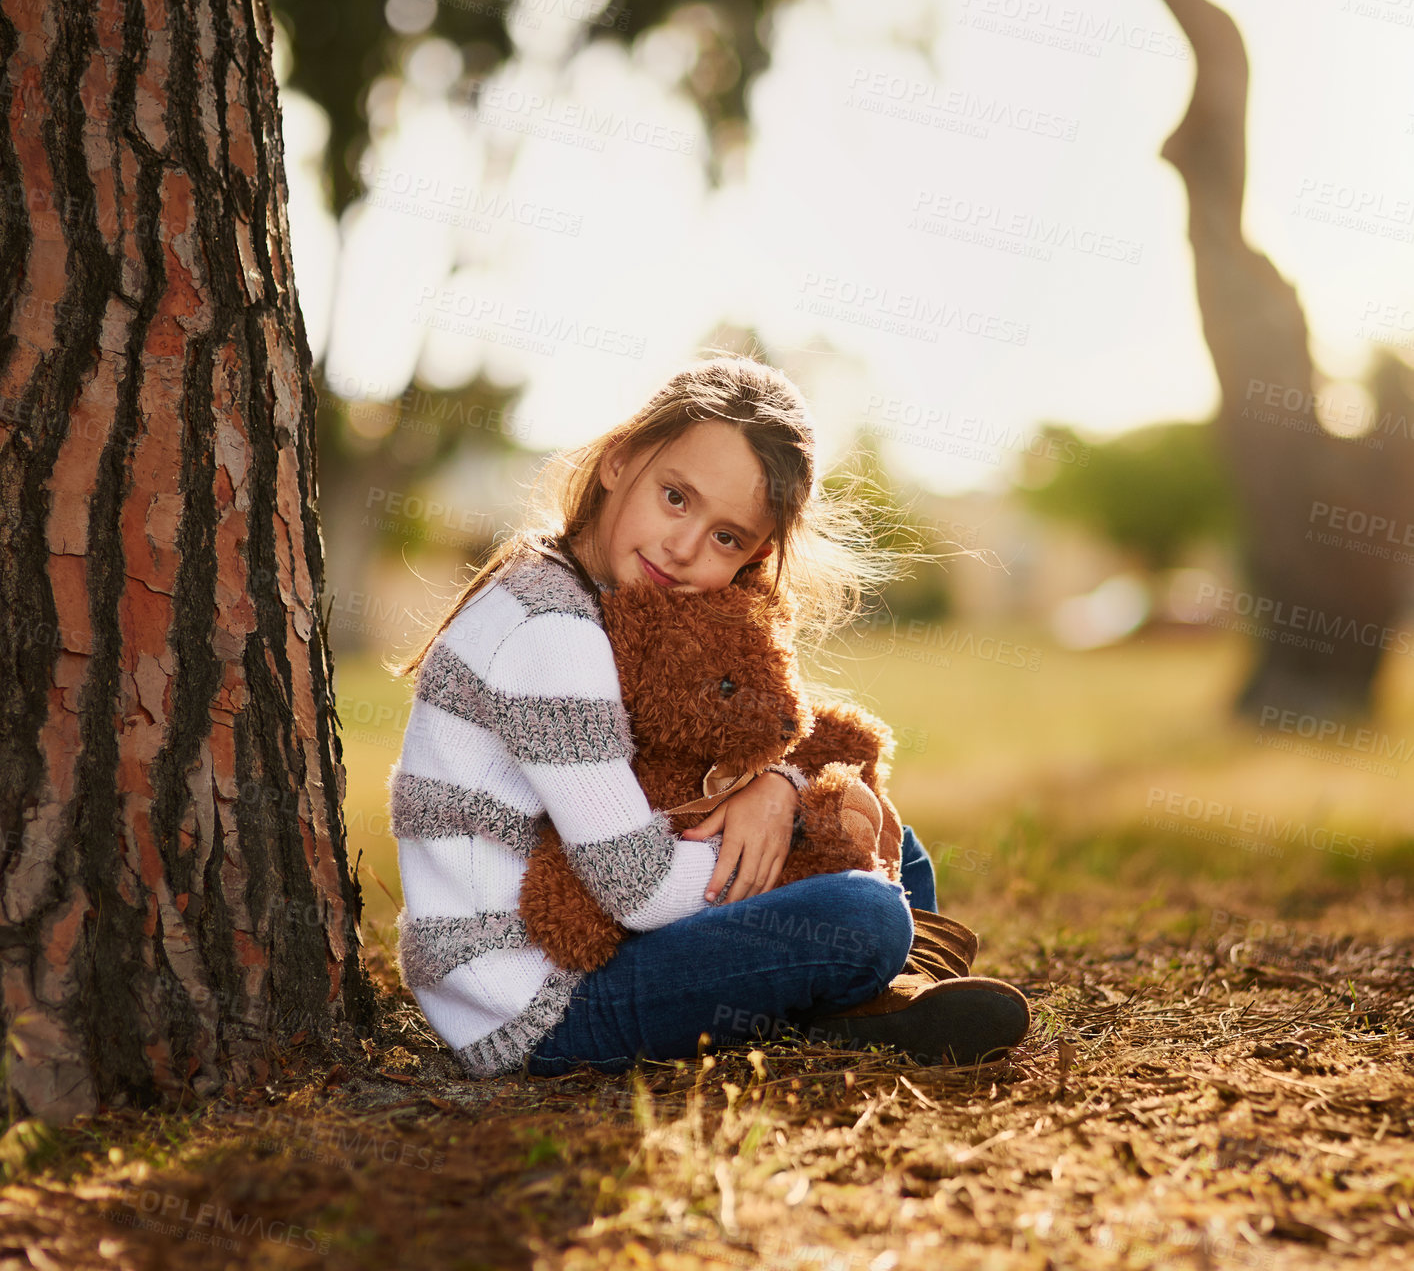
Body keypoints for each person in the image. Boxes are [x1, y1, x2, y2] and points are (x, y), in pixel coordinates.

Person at [387, 354, 1030, 1079]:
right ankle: (870, 984)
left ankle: (889, 998)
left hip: (589, 947)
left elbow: (750, 736)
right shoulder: (550, 632)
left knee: (894, 842)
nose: (685, 547)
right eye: (675, 497)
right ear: (620, 459)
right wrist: (796, 841)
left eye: (727, 538)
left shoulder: (599, 594)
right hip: (536, 1008)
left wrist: (782, 785)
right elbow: (635, 888)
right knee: (867, 912)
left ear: (754, 558)